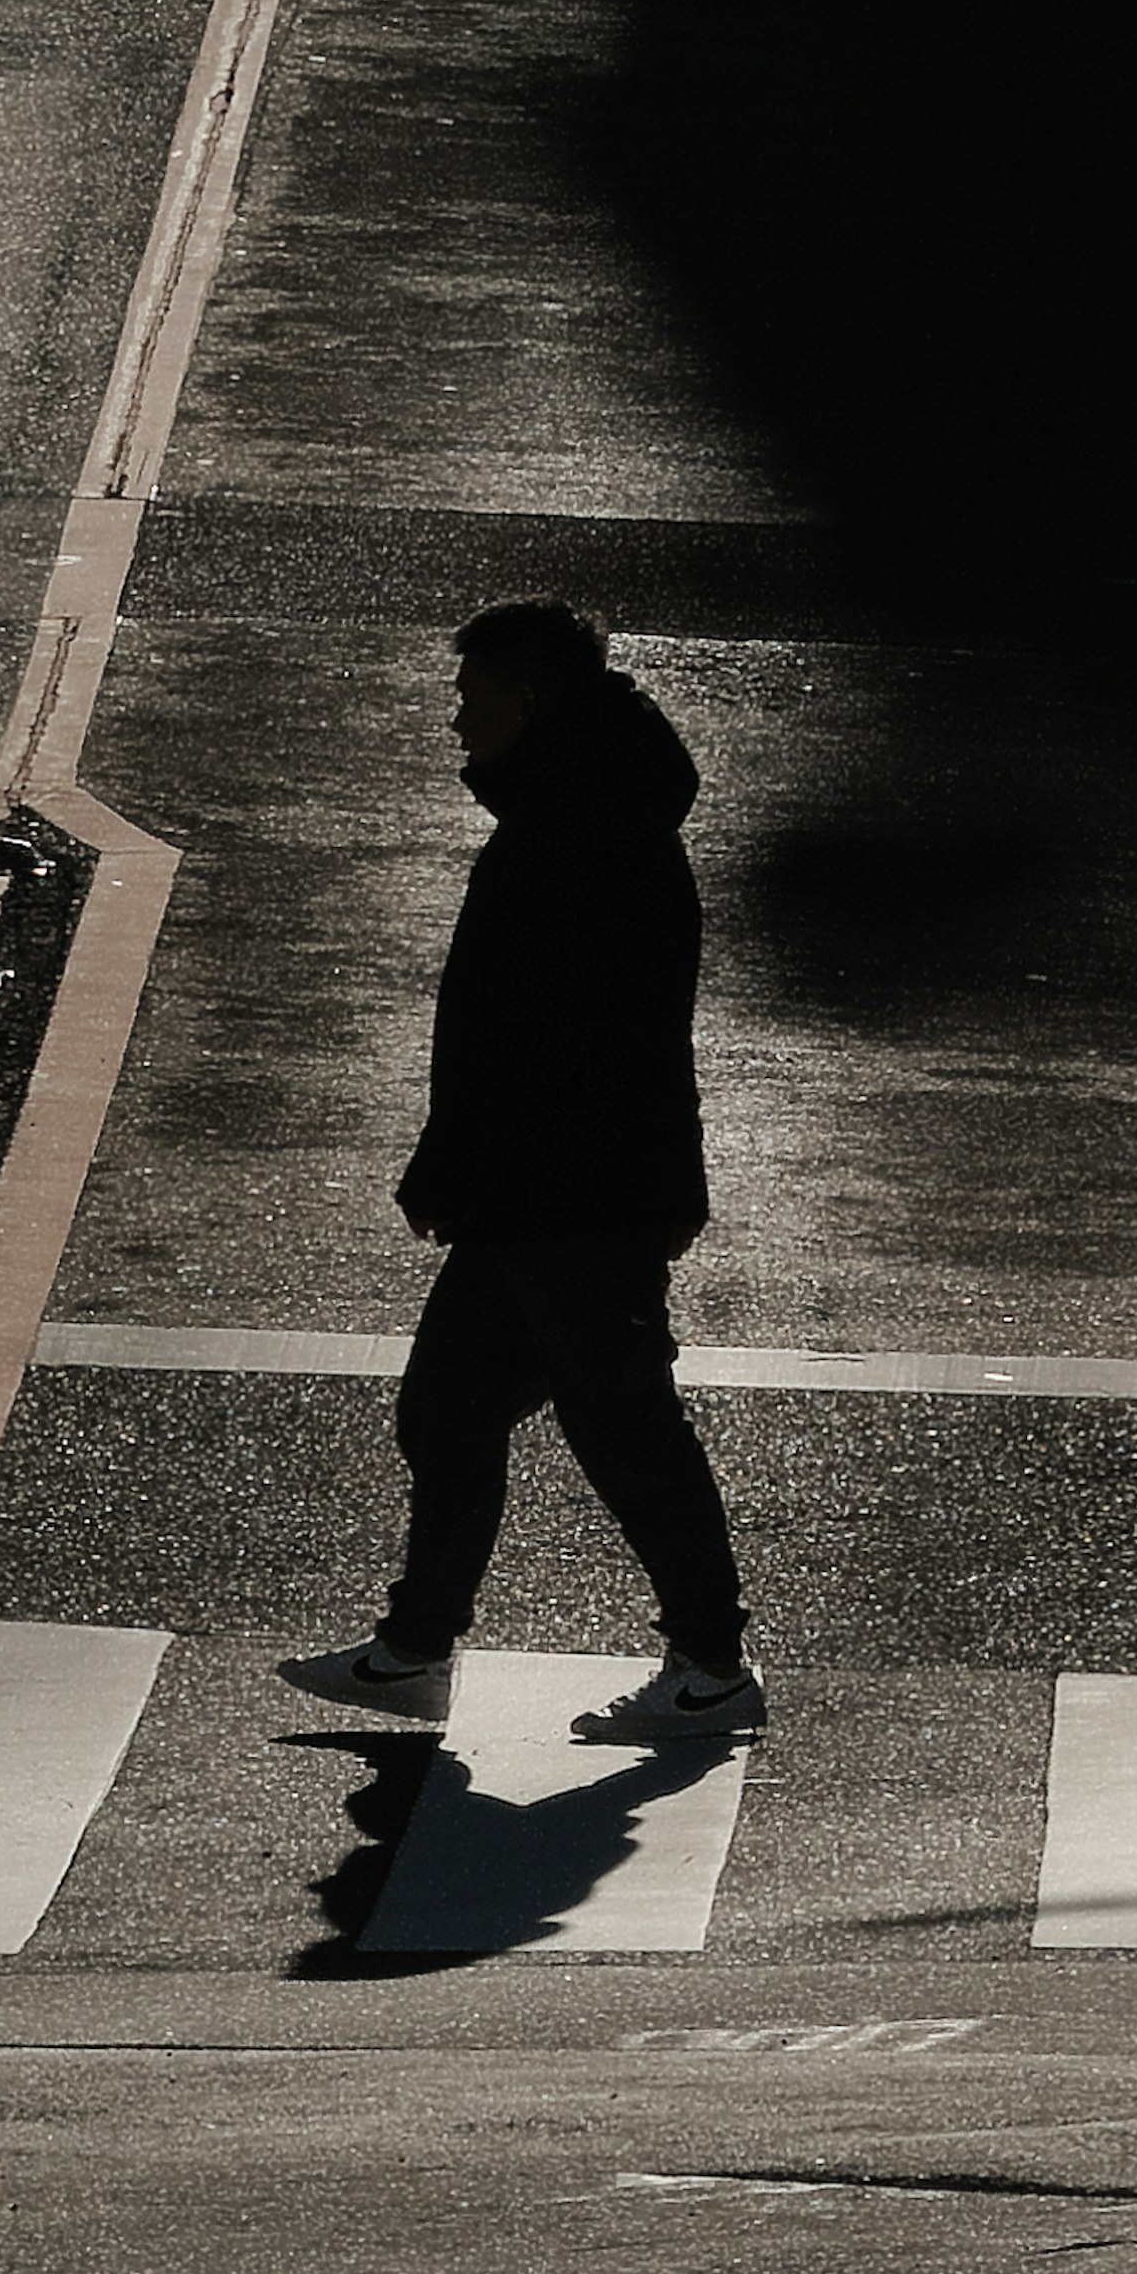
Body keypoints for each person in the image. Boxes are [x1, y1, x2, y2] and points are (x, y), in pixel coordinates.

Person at [286, 596, 761, 1748]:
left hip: (574, 1191)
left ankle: (711, 1664)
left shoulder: (577, 836)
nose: (456, 722)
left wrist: (451, 1164)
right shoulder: (584, 810)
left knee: (621, 1423)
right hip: (548, 1189)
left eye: (471, 697)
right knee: (449, 1408)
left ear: (527, 702)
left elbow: (534, 1041)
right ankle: (415, 1649)